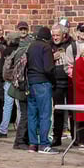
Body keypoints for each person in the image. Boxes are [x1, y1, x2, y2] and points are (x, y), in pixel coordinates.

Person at [27, 26, 57, 154]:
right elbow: (48, 68)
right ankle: (44, 144)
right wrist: (54, 81)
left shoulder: (31, 46)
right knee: (45, 115)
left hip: (30, 83)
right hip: (43, 83)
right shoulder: (46, 47)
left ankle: (33, 144)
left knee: (32, 115)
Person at [49, 23, 73, 147]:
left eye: (57, 35)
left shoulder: (70, 44)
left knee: (73, 110)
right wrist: (51, 58)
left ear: (64, 35)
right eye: (53, 35)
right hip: (56, 82)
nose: (55, 38)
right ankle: (56, 137)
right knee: (58, 110)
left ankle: (75, 137)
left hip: (70, 81)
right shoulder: (49, 45)